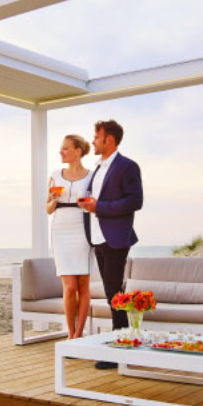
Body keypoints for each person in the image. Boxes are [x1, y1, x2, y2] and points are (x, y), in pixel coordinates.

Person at [78, 120, 143, 368]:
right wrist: (87, 205)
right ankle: (125, 339)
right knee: (112, 293)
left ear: (110, 140)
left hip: (115, 238)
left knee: (114, 293)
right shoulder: (97, 168)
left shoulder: (127, 167)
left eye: (96, 137)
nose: (93, 141)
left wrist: (100, 207)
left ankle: (121, 348)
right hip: (96, 237)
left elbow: (135, 201)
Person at [47, 134, 93, 339]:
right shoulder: (55, 175)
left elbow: (96, 204)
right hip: (61, 229)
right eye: (61, 148)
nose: (61, 152)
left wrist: (89, 203)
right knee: (70, 285)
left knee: (83, 284)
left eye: (65, 148)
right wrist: (52, 200)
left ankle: (79, 334)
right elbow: (48, 209)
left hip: (83, 227)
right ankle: (70, 332)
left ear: (78, 151)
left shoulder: (92, 176)